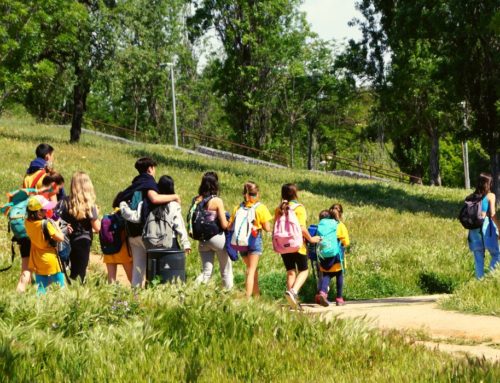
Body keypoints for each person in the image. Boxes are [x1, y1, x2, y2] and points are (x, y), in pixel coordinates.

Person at [113, 157, 180, 287]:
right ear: (150, 168)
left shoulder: (134, 185)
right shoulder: (149, 183)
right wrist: (175, 197)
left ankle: (135, 299)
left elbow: (118, 201)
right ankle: (151, 296)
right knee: (153, 268)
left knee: (138, 270)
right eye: (154, 168)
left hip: (132, 234)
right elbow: (154, 199)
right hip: (147, 233)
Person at [16, 146, 60, 293]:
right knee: (49, 269)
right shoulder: (46, 177)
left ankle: (18, 296)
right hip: (43, 229)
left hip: (28, 225)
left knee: (26, 267)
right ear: (47, 156)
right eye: (52, 156)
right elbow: (54, 204)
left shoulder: (28, 176)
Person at [275, 183, 320, 309]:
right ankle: (293, 292)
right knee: (304, 271)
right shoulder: (299, 208)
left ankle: (292, 303)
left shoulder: (279, 209)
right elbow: (302, 228)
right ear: (295, 193)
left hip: (283, 245)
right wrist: (311, 239)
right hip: (297, 245)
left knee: (290, 272)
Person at [228, 181, 272, 298]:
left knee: (252, 269)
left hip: (240, 242)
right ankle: (247, 297)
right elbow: (267, 228)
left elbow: (229, 225)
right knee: (251, 270)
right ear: (256, 194)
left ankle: (257, 296)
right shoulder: (260, 208)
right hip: (253, 239)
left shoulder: (237, 208)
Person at [193, 172, 233, 289]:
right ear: (215, 184)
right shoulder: (217, 201)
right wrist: (232, 220)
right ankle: (228, 293)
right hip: (217, 238)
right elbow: (224, 225)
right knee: (225, 269)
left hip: (202, 240)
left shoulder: (197, 200)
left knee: (206, 271)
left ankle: (193, 289)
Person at [59, 172, 101, 282]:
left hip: (65, 240)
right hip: (83, 241)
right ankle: (76, 295)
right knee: (79, 275)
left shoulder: (64, 202)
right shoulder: (90, 205)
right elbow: (97, 228)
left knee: (66, 271)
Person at [24, 195, 65, 294]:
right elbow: (61, 238)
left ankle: (38, 307)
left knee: (41, 289)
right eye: (44, 210)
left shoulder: (27, 222)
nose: (47, 212)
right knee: (61, 288)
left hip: (37, 259)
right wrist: (57, 225)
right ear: (38, 212)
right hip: (50, 259)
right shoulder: (46, 224)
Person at [315, 205, 350, 307]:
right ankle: (339, 298)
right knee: (339, 275)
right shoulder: (339, 225)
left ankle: (323, 292)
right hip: (336, 256)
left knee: (327, 275)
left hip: (324, 255)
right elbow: (346, 242)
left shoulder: (322, 225)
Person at [468, 173, 499, 279]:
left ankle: (479, 282)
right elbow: (493, 214)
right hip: (486, 228)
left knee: (478, 258)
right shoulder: (491, 196)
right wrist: (499, 227)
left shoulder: (472, 197)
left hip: (473, 229)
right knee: (496, 254)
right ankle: (490, 278)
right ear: (489, 184)